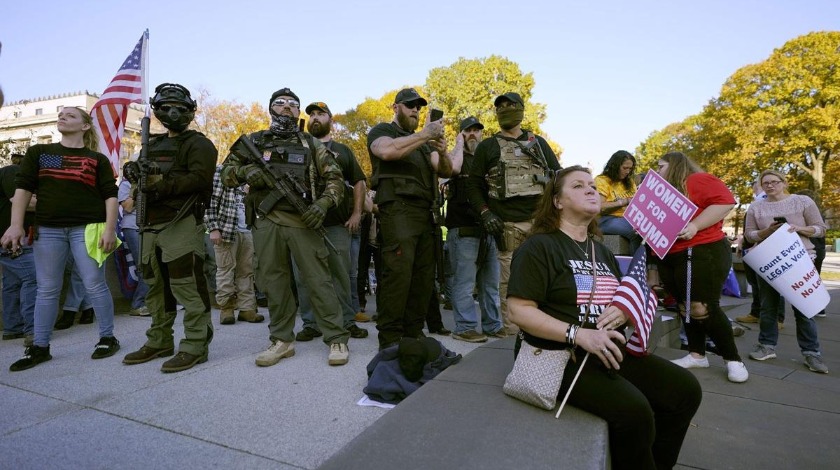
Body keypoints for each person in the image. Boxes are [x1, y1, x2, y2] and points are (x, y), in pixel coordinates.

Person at [507, 165, 702, 470]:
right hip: (560, 354)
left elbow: (614, 301)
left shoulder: (602, 251)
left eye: (592, 186)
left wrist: (625, 310)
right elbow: (519, 311)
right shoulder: (539, 247)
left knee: (685, 391)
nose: (591, 189)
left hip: (606, 348)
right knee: (636, 413)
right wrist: (579, 335)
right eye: (578, 186)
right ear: (557, 201)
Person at [220, 88, 350, 366]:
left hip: (304, 222)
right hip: (266, 222)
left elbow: (336, 179)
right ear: (270, 108)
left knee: (318, 280)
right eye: (280, 103)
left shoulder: (310, 144)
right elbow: (226, 173)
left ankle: (336, 338)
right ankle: (281, 340)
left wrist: (323, 205)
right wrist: (245, 172)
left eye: (293, 104)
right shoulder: (254, 141)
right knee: (273, 281)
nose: (287, 107)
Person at [2, 106, 120, 371]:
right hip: (48, 229)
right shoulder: (40, 153)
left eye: (71, 115)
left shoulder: (97, 160)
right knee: (47, 289)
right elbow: (23, 189)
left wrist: (109, 230)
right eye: (61, 114)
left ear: (85, 126)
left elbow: (110, 196)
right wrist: (15, 225)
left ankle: (107, 338)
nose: (62, 117)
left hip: (87, 228)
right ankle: (40, 347)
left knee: (94, 284)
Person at [121, 83, 216, 373]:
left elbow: (199, 179)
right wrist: (133, 172)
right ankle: (160, 340)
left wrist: (162, 184)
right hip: (149, 224)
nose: (172, 113)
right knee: (155, 288)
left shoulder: (199, 144)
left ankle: (195, 345)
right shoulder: (152, 143)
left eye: (180, 108)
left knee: (187, 286)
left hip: (181, 222)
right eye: (165, 107)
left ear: (190, 112)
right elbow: (136, 178)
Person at [366, 88, 457, 349]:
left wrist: (443, 148)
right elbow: (386, 152)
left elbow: (446, 170)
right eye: (409, 106)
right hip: (398, 211)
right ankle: (391, 339)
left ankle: (414, 333)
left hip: (426, 215)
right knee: (398, 275)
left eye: (418, 107)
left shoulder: (421, 143)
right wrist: (425, 134)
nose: (415, 110)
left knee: (423, 279)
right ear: (395, 108)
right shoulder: (383, 131)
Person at [465, 92, 561, 336]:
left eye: (510, 105)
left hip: (542, 224)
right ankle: (512, 338)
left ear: (521, 109)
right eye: (500, 106)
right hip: (507, 225)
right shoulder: (488, 146)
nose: (505, 109)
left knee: (547, 281)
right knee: (510, 286)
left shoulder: (537, 143)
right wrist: (486, 213)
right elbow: (474, 185)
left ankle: (545, 334)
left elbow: (557, 177)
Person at [654, 152, 749, 383]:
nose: (657, 171)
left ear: (675, 165)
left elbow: (725, 201)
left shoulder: (695, 180)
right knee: (685, 306)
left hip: (703, 250)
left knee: (702, 306)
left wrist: (695, 225)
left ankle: (733, 359)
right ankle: (697, 355)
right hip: (671, 254)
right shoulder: (662, 194)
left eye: (661, 166)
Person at [294, 101, 368, 341]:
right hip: (302, 225)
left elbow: (358, 181)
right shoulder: (298, 147)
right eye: (311, 114)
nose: (315, 118)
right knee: (304, 276)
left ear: (330, 120)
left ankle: (347, 320)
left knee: (341, 275)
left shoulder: (343, 150)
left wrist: (357, 213)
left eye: (320, 114)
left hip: (336, 223)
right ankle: (311, 323)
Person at [744, 170, 828, 373]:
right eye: (765, 183)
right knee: (768, 307)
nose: (770, 186)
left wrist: (799, 228)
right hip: (768, 260)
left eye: (774, 182)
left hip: (799, 259)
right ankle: (766, 346)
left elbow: (820, 228)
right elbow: (749, 235)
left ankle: (811, 353)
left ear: (784, 182)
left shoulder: (802, 201)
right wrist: (766, 232)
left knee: (804, 309)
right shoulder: (755, 207)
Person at [445, 117, 503, 342]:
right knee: (465, 282)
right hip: (463, 229)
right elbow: (451, 169)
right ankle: (465, 327)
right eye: (467, 131)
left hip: (489, 231)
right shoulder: (454, 157)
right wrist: (458, 143)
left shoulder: (489, 160)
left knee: (490, 284)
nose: (472, 134)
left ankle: (493, 325)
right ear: (460, 134)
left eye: (476, 131)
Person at [205, 165, 263, 325]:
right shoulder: (220, 171)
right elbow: (210, 201)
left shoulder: (251, 175)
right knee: (225, 269)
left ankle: (247, 309)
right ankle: (226, 309)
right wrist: (214, 228)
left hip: (248, 229)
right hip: (227, 229)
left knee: (246, 271)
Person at [0, 154, 36, 344]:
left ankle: (13, 328)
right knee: (34, 278)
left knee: (12, 284)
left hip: (9, 239)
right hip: (13, 240)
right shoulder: (13, 172)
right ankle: (33, 330)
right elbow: (22, 201)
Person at [595, 150, 642, 253]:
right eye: (625, 168)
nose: (627, 172)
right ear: (615, 166)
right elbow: (599, 207)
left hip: (628, 218)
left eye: (630, 169)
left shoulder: (629, 182)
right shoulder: (602, 180)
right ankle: (635, 265)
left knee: (647, 229)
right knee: (636, 231)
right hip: (605, 219)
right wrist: (623, 202)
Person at [118, 175, 150, 316]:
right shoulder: (126, 184)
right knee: (144, 265)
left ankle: (147, 301)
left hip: (150, 226)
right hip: (132, 226)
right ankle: (138, 303)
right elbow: (128, 207)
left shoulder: (154, 181)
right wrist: (137, 188)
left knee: (151, 264)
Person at [797, 189, 827, 318]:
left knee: (808, 281)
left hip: (812, 249)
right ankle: (819, 308)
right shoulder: (819, 213)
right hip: (819, 249)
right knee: (814, 280)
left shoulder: (806, 214)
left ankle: (815, 307)